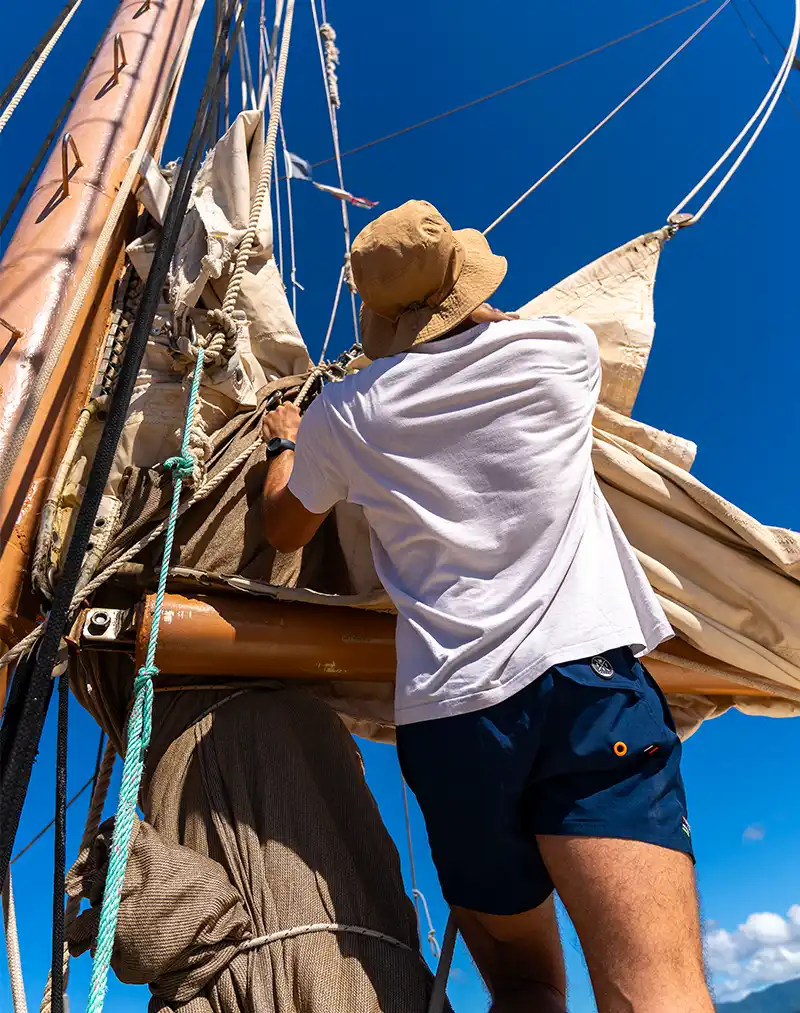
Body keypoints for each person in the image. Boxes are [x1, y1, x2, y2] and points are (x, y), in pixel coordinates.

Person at [260, 200, 714, 1013]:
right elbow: (506, 326)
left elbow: (284, 528)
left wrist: (287, 439)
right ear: (468, 284)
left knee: (526, 985)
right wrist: (469, 308)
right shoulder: (558, 350)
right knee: (658, 988)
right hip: (589, 688)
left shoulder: (346, 414)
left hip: (452, 718)